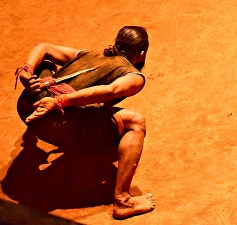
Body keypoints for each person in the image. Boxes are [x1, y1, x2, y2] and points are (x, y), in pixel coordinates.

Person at [14, 26, 155, 219]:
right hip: (56, 122)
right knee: (136, 122)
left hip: (26, 105)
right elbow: (111, 91)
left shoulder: (88, 55)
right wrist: (59, 101)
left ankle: (41, 136)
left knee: (45, 63)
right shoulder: (134, 77)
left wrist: (26, 72)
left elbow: (43, 47)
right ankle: (123, 201)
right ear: (140, 54)